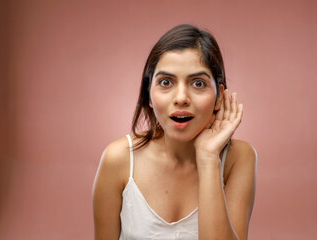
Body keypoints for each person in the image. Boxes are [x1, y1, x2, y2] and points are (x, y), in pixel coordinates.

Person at [92, 24, 257, 240]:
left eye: (198, 83)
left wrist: (208, 158)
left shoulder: (239, 158)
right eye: (166, 82)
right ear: (148, 95)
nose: (181, 98)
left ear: (219, 97)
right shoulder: (118, 158)